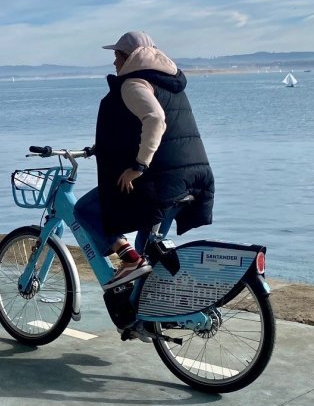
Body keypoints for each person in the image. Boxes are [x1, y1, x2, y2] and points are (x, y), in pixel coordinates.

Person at [73, 31, 215, 290]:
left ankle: (127, 258)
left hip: (163, 178)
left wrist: (138, 166)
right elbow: (138, 127)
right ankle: (157, 312)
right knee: (149, 249)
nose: (115, 63)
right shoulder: (166, 81)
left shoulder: (134, 83)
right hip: (192, 176)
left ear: (129, 57)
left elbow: (155, 120)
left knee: (85, 209)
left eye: (117, 56)